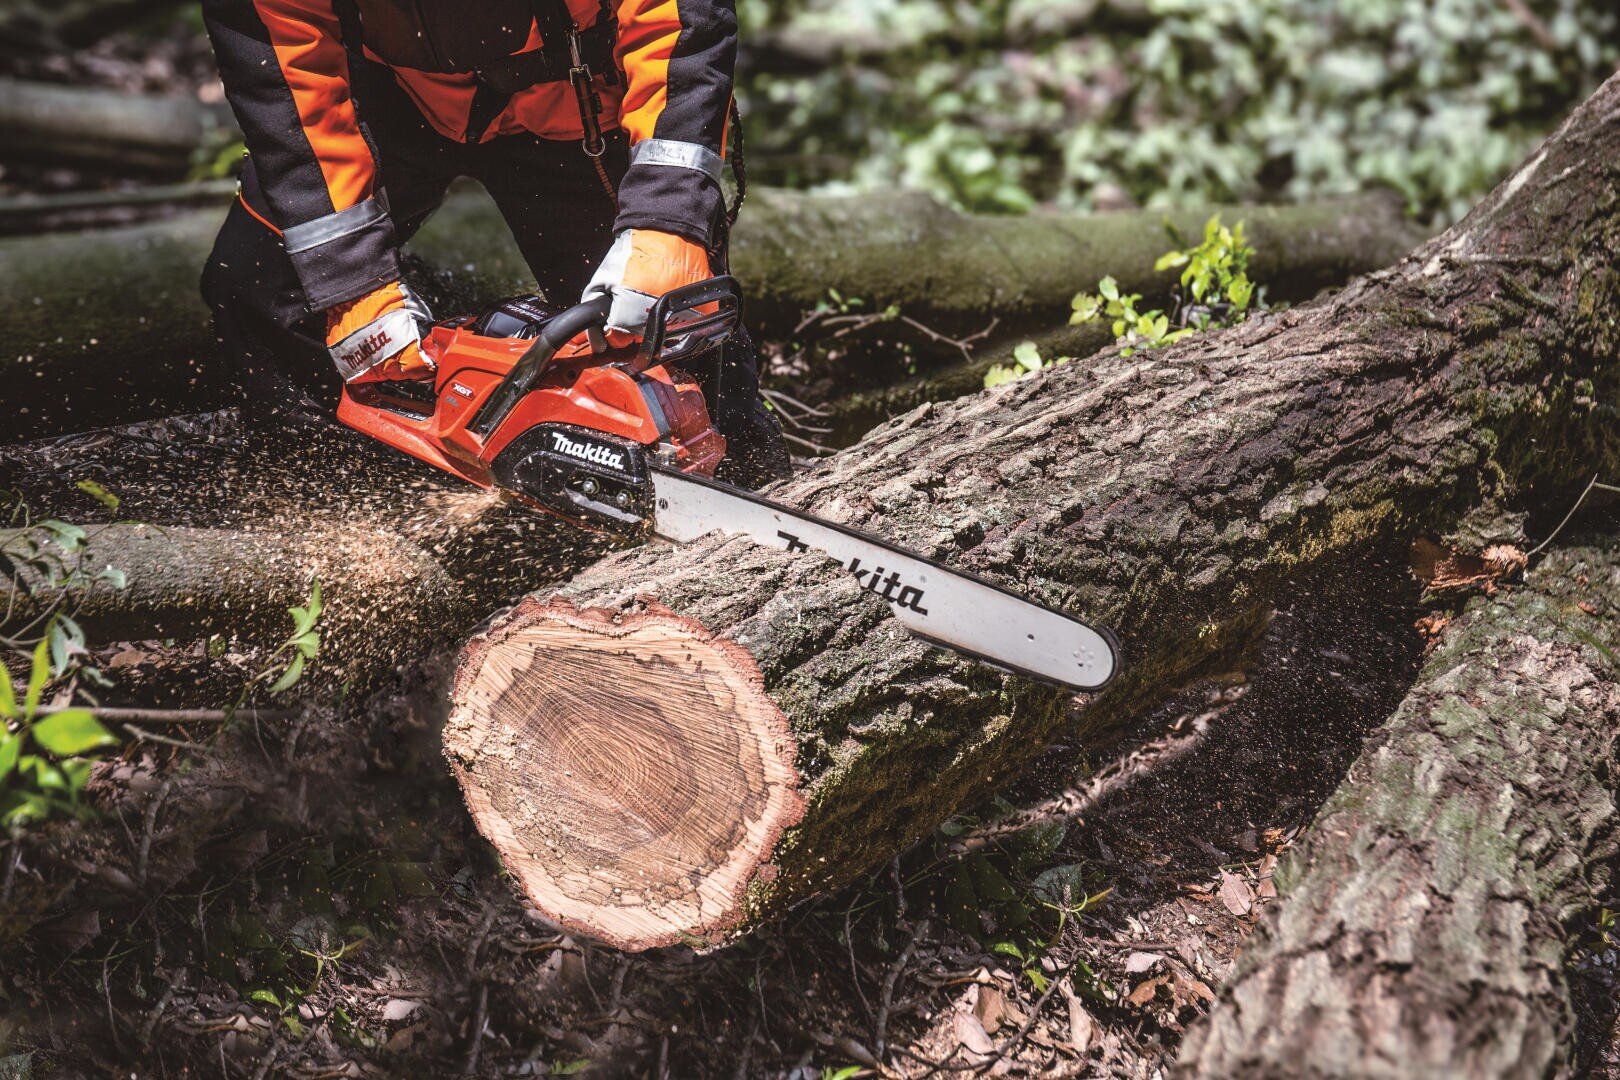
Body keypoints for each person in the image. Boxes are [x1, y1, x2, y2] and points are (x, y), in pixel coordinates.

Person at [198, 0, 789, 486]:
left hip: (576, 92)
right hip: (376, 95)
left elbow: (674, 16)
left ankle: (740, 496)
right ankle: (353, 514)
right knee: (259, 288)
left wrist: (669, 216)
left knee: (664, 328)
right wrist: (351, 282)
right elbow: (282, 62)